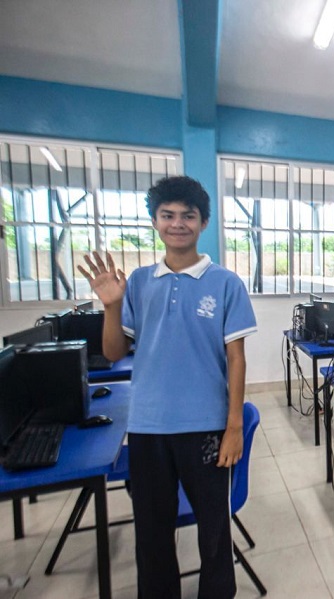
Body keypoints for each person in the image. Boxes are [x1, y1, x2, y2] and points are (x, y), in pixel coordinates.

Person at [78, 176, 257, 598]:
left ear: (203, 222)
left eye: (188, 216)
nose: (178, 224)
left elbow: (236, 359)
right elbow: (115, 350)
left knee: (213, 532)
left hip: (206, 427)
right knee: (152, 535)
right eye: (168, 215)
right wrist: (112, 305)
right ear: (155, 222)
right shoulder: (138, 282)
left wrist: (234, 428)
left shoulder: (226, 283)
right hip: (148, 426)